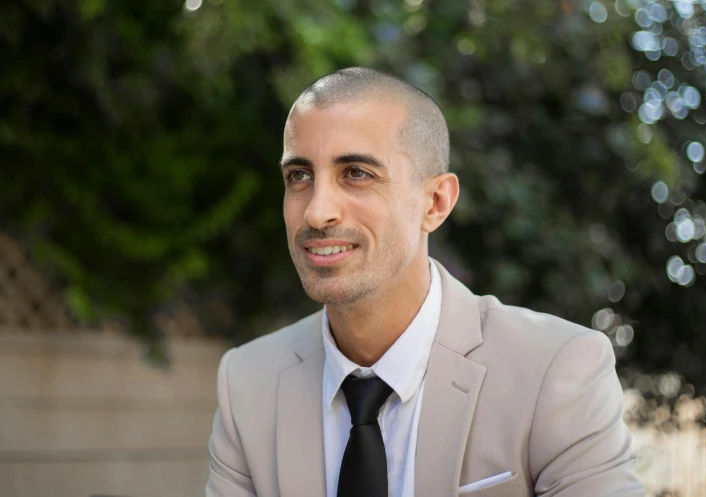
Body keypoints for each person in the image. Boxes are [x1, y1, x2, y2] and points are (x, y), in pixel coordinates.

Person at [205, 67, 643, 497]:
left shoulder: (556, 370)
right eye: (299, 176)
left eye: (356, 172)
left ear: (435, 203)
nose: (317, 212)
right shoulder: (248, 383)